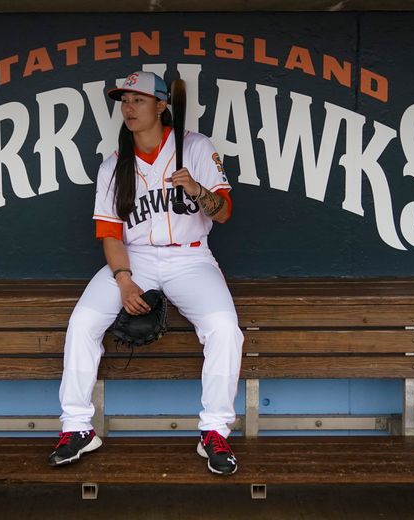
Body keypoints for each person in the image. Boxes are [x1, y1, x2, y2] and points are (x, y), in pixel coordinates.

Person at [48, 71, 244, 475]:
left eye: (138, 100)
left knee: (225, 328)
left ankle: (214, 431)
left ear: (160, 106)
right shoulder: (114, 165)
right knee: (83, 322)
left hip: (191, 258)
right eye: (124, 101)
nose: (128, 107)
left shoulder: (195, 148)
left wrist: (197, 191)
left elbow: (222, 213)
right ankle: (77, 428)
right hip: (133, 258)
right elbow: (110, 235)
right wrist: (123, 279)